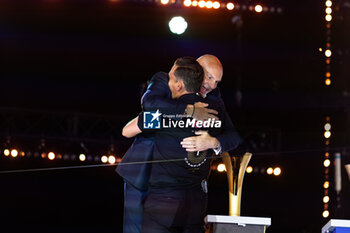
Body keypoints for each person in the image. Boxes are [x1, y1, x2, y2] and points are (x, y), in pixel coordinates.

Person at [117, 55, 241, 233]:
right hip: (142, 172)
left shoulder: (214, 97)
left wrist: (213, 141)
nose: (212, 85)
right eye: (209, 77)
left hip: (181, 185)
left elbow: (232, 135)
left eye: (217, 81)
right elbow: (148, 105)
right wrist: (187, 111)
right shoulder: (166, 79)